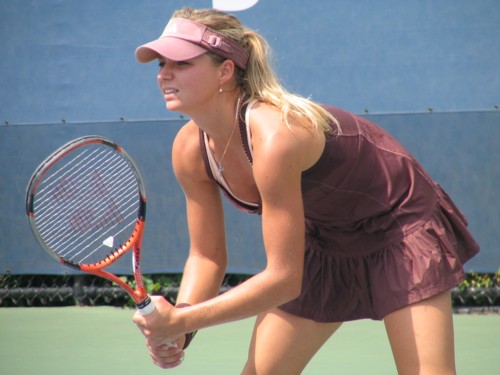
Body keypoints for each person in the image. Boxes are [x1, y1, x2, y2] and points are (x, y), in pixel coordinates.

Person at [132, 7, 479, 374]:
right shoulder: (188, 150)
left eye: (181, 63)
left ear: (225, 71)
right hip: (324, 240)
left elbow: (283, 279)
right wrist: (181, 330)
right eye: (160, 64)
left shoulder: (274, 136)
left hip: (397, 227)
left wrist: (180, 321)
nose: (165, 74)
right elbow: (207, 257)